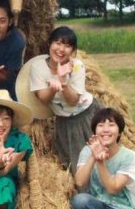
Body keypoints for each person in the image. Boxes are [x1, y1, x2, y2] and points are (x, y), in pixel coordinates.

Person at [26, 26, 101, 174]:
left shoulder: (77, 66)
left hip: (88, 115)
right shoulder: (38, 68)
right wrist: (54, 87)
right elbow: (43, 99)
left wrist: (63, 82)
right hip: (66, 122)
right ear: (50, 44)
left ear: (72, 50)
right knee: (77, 164)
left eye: (67, 46)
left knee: (101, 155)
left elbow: (73, 100)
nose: (61, 49)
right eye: (58, 43)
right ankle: (85, 195)